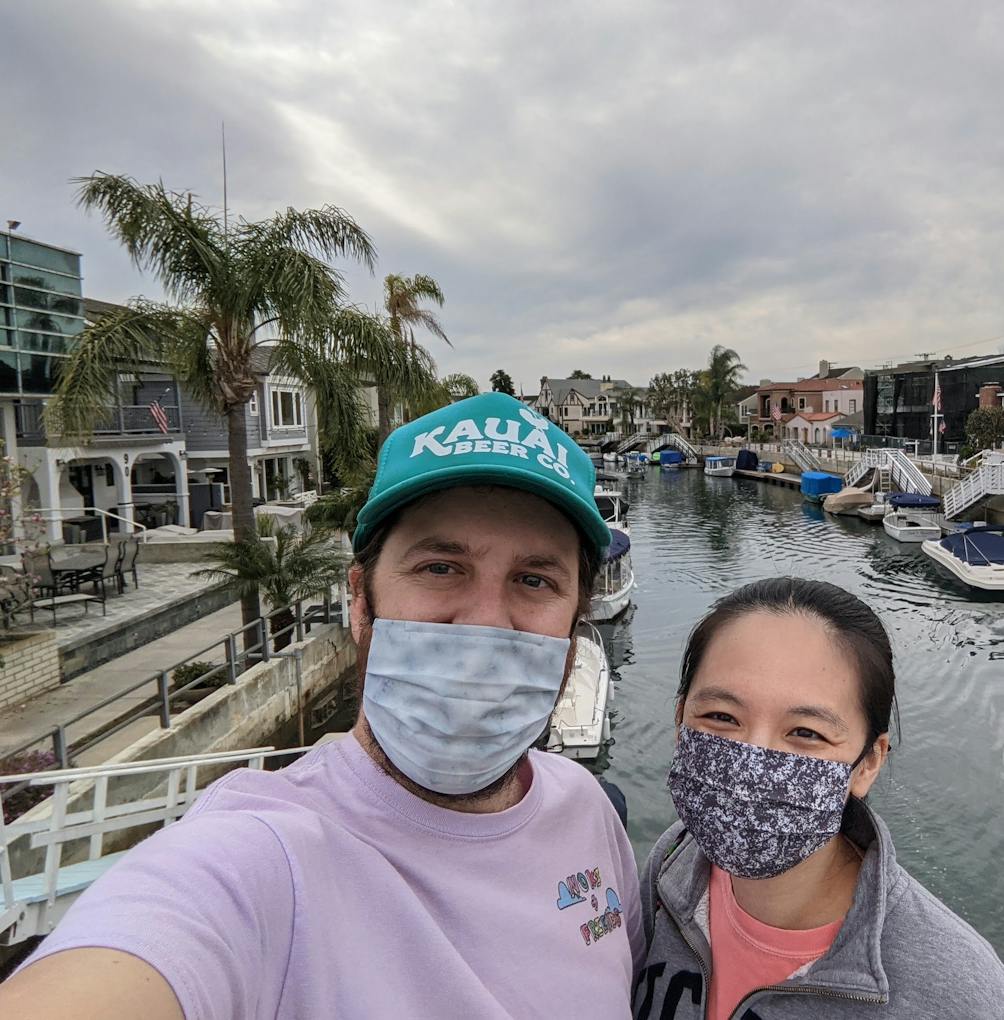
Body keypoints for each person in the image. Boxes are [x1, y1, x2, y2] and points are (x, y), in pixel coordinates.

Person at [1, 393, 643, 1019]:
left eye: (535, 581)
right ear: (361, 601)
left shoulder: (585, 812)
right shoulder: (259, 861)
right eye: (441, 567)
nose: (483, 627)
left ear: (574, 620)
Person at [633, 576, 1004, 1019]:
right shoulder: (674, 862)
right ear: (681, 722)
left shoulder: (956, 992)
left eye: (806, 733)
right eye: (721, 716)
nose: (754, 762)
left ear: (868, 762)